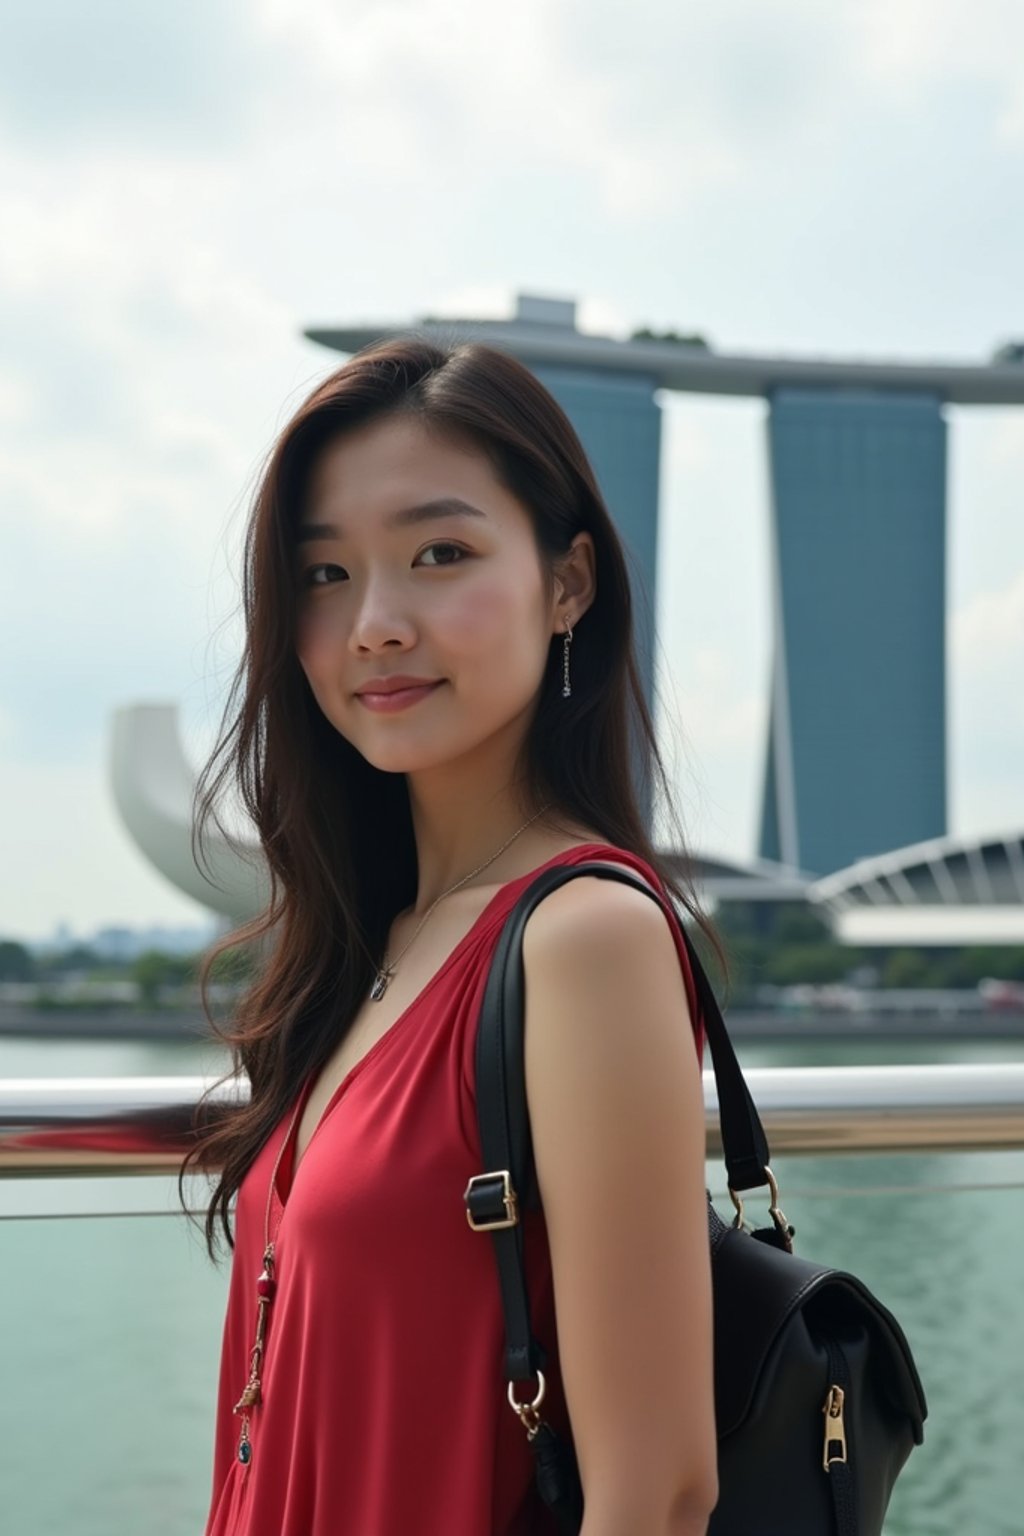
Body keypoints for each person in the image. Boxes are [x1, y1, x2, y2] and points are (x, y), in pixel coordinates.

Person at [181, 335, 726, 1536]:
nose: (374, 623)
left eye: (440, 554)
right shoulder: (377, 937)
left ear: (567, 583)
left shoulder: (584, 939)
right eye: (324, 575)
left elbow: (659, 1489)